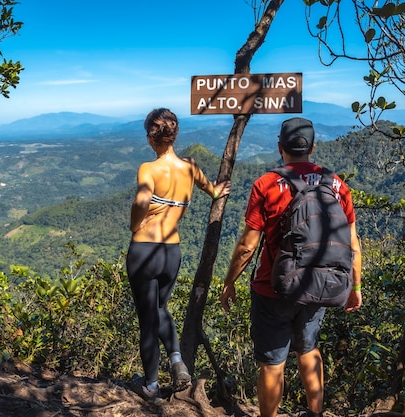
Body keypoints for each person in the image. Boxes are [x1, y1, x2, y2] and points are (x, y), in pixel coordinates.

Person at [220, 117, 362, 417]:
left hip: (274, 289)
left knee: (273, 363)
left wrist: (229, 281)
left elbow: (247, 245)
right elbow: (352, 244)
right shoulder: (337, 185)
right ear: (312, 147)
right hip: (320, 285)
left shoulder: (267, 184)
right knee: (308, 350)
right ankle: (316, 413)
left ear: (279, 146)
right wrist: (355, 287)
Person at [127, 108, 231, 403]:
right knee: (160, 308)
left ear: (150, 136)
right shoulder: (190, 167)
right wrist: (216, 191)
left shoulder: (149, 168)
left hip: (145, 251)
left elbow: (142, 199)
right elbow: (210, 189)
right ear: (174, 135)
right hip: (171, 251)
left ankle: (150, 385)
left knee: (148, 319)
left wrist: (136, 224)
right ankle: (177, 360)